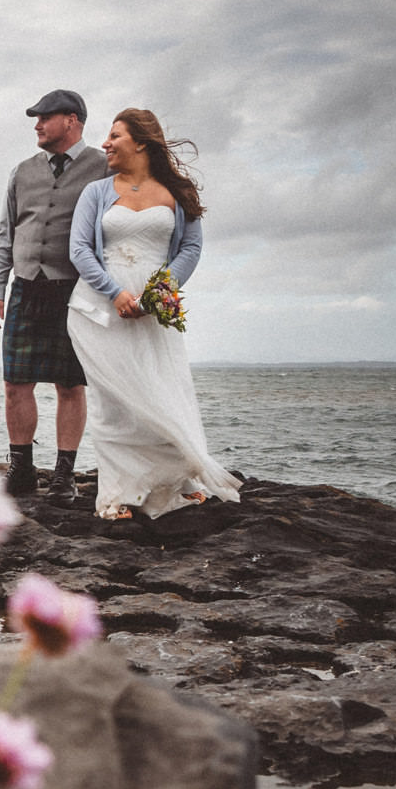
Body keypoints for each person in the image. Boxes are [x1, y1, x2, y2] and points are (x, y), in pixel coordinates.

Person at [65, 108, 241, 520]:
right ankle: (116, 495)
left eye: (114, 136)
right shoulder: (96, 193)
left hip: (155, 311)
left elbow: (190, 249)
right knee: (114, 402)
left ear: (141, 142)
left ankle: (175, 481)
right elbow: (79, 250)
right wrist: (116, 293)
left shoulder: (176, 194)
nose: (105, 144)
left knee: (162, 390)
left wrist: (157, 295)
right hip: (99, 310)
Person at [0, 89, 110, 502]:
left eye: (44, 117)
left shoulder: (104, 167)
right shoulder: (22, 171)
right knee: (14, 382)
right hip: (25, 286)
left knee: (70, 385)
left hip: (74, 289)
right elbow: (6, 232)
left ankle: (64, 474)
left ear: (72, 120)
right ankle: (21, 469)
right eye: (36, 119)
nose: (37, 125)